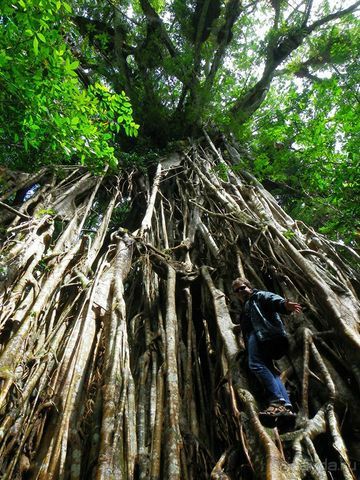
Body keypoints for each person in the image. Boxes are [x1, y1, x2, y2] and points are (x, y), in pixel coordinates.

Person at [232, 277, 302, 416]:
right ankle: (286, 406)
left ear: (249, 287)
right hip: (262, 338)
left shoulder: (258, 296)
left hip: (262, 335)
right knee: (270, 370)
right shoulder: (247, 307)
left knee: (255, 364)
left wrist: (284, 305)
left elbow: (273, 300)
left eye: (243, 287)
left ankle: (276, 401)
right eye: (237, 290)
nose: (241, 291)